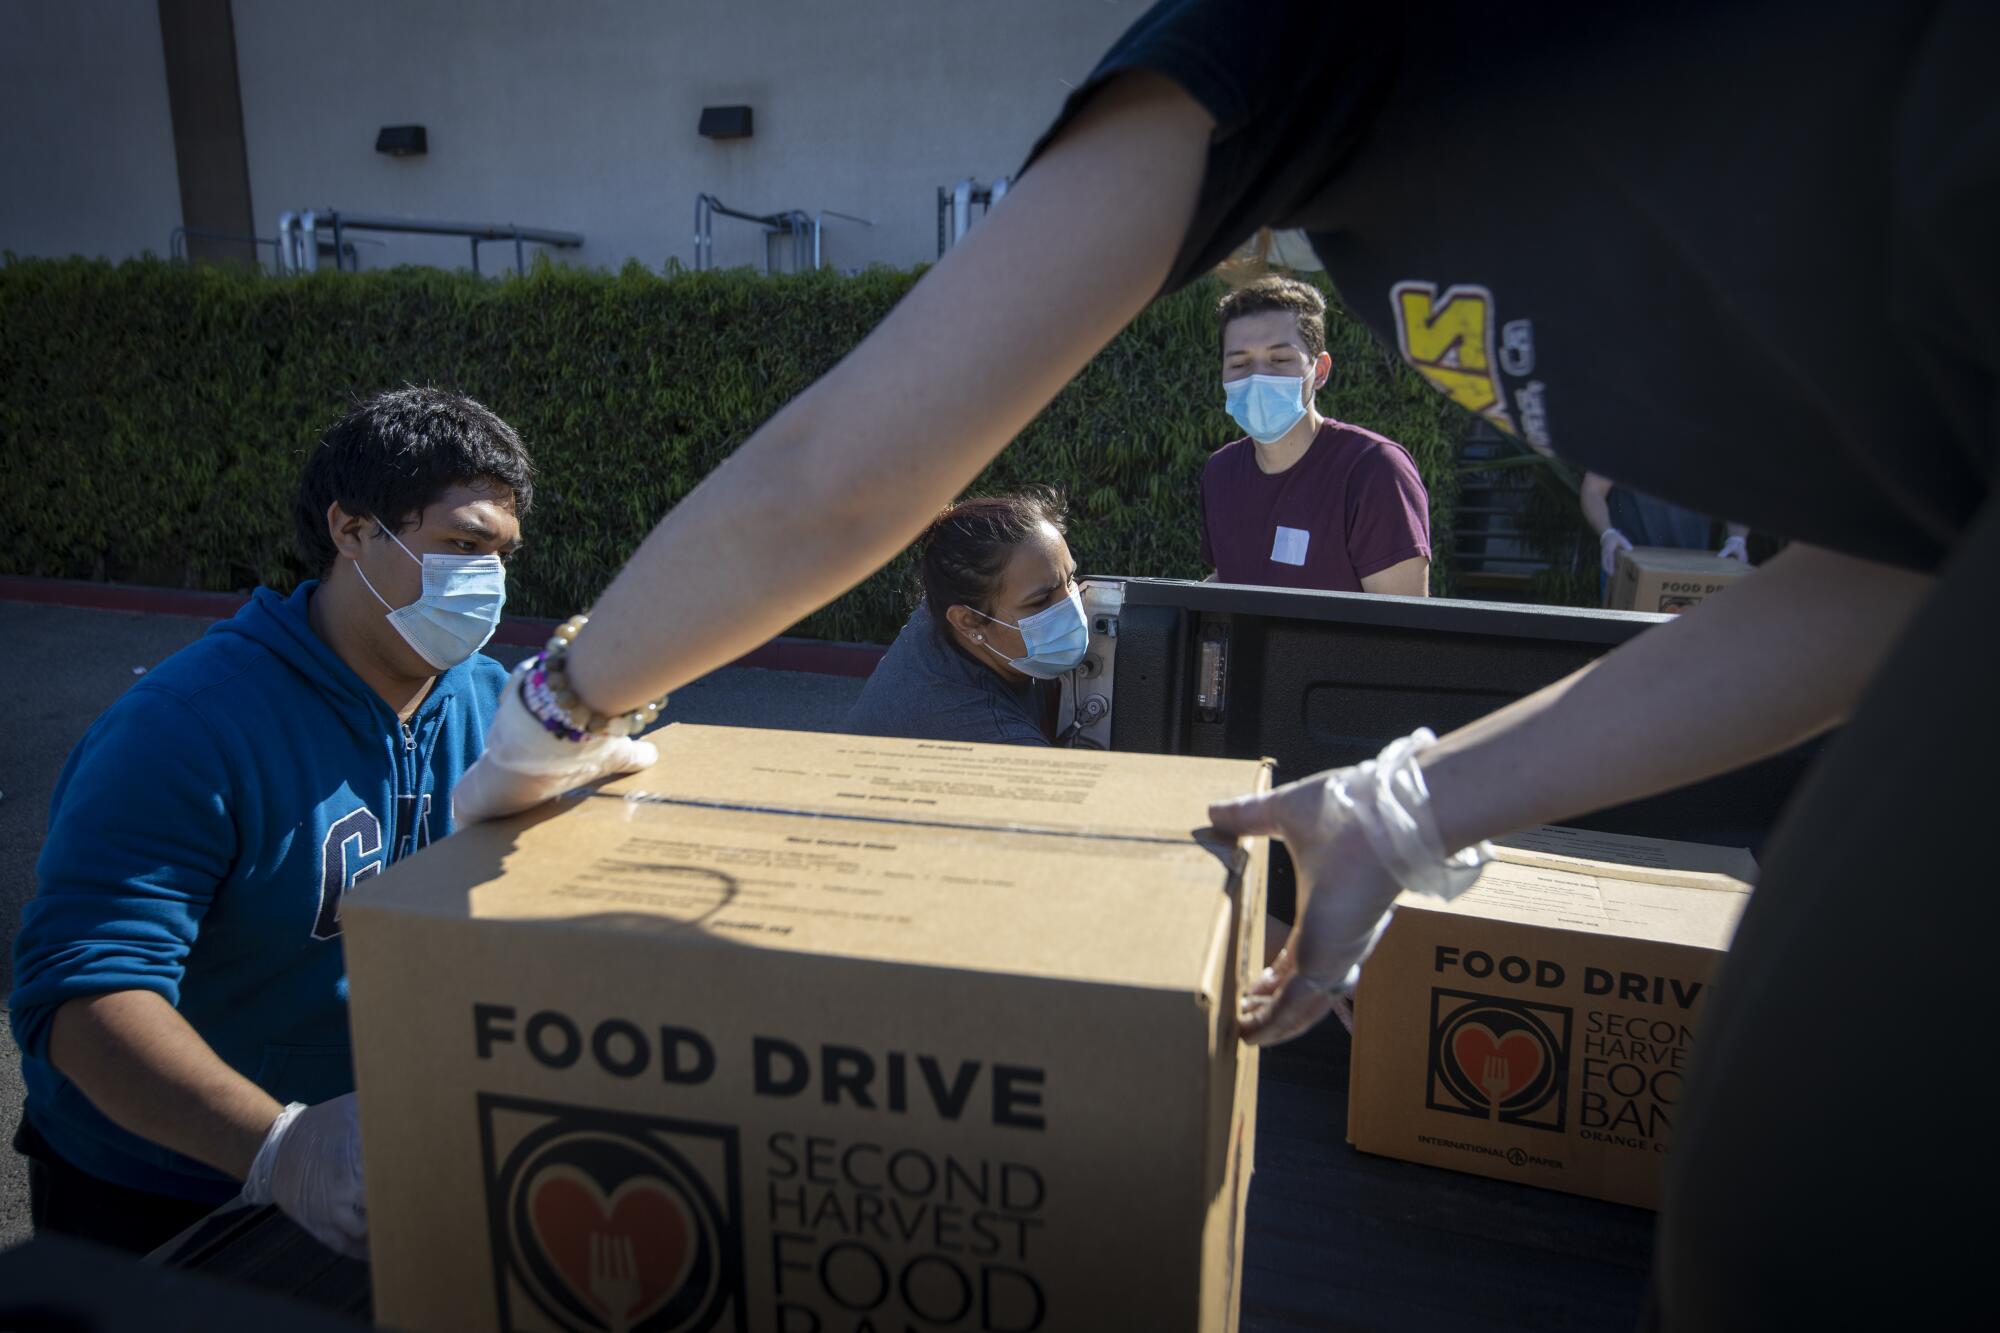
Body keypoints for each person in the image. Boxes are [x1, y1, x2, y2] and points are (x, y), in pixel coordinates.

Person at [446, 3, 1993, 1326]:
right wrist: (1410, 804)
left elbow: (847, 474)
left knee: (1808, 1218)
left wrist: (562, 701)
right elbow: (1878, 587)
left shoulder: (1291, 42)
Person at [7, 387, 573, 1258]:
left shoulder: (490, 704)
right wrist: (279, 1146)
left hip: (383, 1160)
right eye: (461, 544)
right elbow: (82, 994)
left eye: (500, 554)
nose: (486, 582)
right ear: (352, 531)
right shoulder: (186, 726)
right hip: (163, 1187)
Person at [1203, 275, 1431, 594]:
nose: (1258, 377)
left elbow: (1403, 632)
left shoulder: (1375, 471)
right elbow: (1230, 581)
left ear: (1319, 371)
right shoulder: (1221, 473)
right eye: (1239, 363)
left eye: (1280, 359)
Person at [845, 491, 1085, 747]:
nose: (1070, 606)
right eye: (1041, 600)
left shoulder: (948, 604)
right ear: (968, 621)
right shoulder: (996, 738)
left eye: (1069, 579)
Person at [1581, 470, 1751, 601]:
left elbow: (1736, 492)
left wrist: (1737, 538)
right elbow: (1592, 490)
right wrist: (1607, 533)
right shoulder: (1629, 430)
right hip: (1628, 568)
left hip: (1694, 573)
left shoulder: (1713, 436)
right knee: (1629, 643)